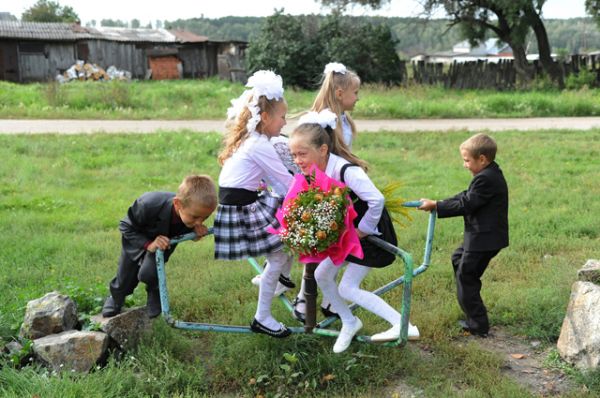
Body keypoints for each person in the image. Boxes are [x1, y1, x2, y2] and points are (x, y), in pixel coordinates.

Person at [288, 110, 420, 353]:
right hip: (349, 235)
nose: (297, 159)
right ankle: (349, 321)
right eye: (293, 154)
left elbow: (376, 200)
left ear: (323, 149)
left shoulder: (347, 170)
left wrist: (363, 230)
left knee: (348, 287)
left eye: (302, 154)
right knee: (321, 276)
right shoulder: (317, 170)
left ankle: (404, 325)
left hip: (370, 236)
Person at [215, 70, 295, 338]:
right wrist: (313, 196)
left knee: (286, 241)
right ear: (266, 117)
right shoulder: (258, 145)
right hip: (241, 209)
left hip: (243, 202)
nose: (285, 122)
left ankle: (277, 281)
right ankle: (262, 316)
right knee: (281, 251)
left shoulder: (254, 139)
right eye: (283, 117)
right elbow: (285, 182)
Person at [292, 62, 367, 322]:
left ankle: (328, 298)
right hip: (322, 190)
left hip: (338, 187)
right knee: (318, 247)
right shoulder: (321, 121)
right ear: (339, 93)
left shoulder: (342, 120)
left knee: (336, 244)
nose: (357, 98)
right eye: (355, 92)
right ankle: (304, 299)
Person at [418, 133, 509, 337]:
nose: (465, 165)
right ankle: (474, 317)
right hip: (480, 236)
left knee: (466, 276)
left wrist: (438, 206)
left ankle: (478, 325)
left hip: (484, 239)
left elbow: (466, 204)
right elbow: (466, 196)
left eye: (467, 160)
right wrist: (438, 202)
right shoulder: (488, 174)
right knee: (458, 259)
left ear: (482, 159)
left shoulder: (486, 179)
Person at [102, 175, 217, 318]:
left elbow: (187, 227)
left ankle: (155, 292)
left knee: (149, 273)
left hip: (163, 244)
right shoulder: (148, 204)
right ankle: (116, 298)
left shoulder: (191, 212)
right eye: (195, 217)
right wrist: (148, 244)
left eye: (204, 218)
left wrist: (195, 233)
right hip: (137, 239)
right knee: (125, 275)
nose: (199, 222)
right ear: (177, 204)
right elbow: (125, 226)